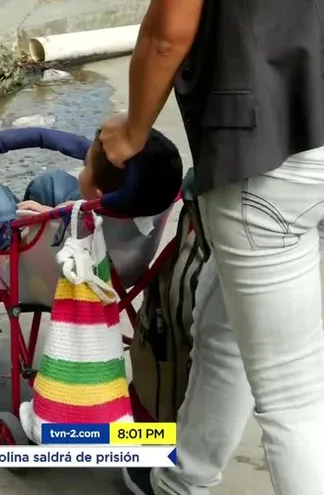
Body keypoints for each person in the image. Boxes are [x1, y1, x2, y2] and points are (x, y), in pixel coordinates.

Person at [98, 0, 324, 493]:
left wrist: (132, 131)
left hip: (270, 153)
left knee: (295, 403)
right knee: (225, 327)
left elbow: (168, 33)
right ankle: (182, 478)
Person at [0, 127, 177, 251]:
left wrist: (47, 218)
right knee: (51, 181)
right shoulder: (149, 199)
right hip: (121, 259)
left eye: (86, 166)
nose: (83, 169)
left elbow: (68, 217)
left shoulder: (75, 218)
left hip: (45, 269)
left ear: (99, 195)